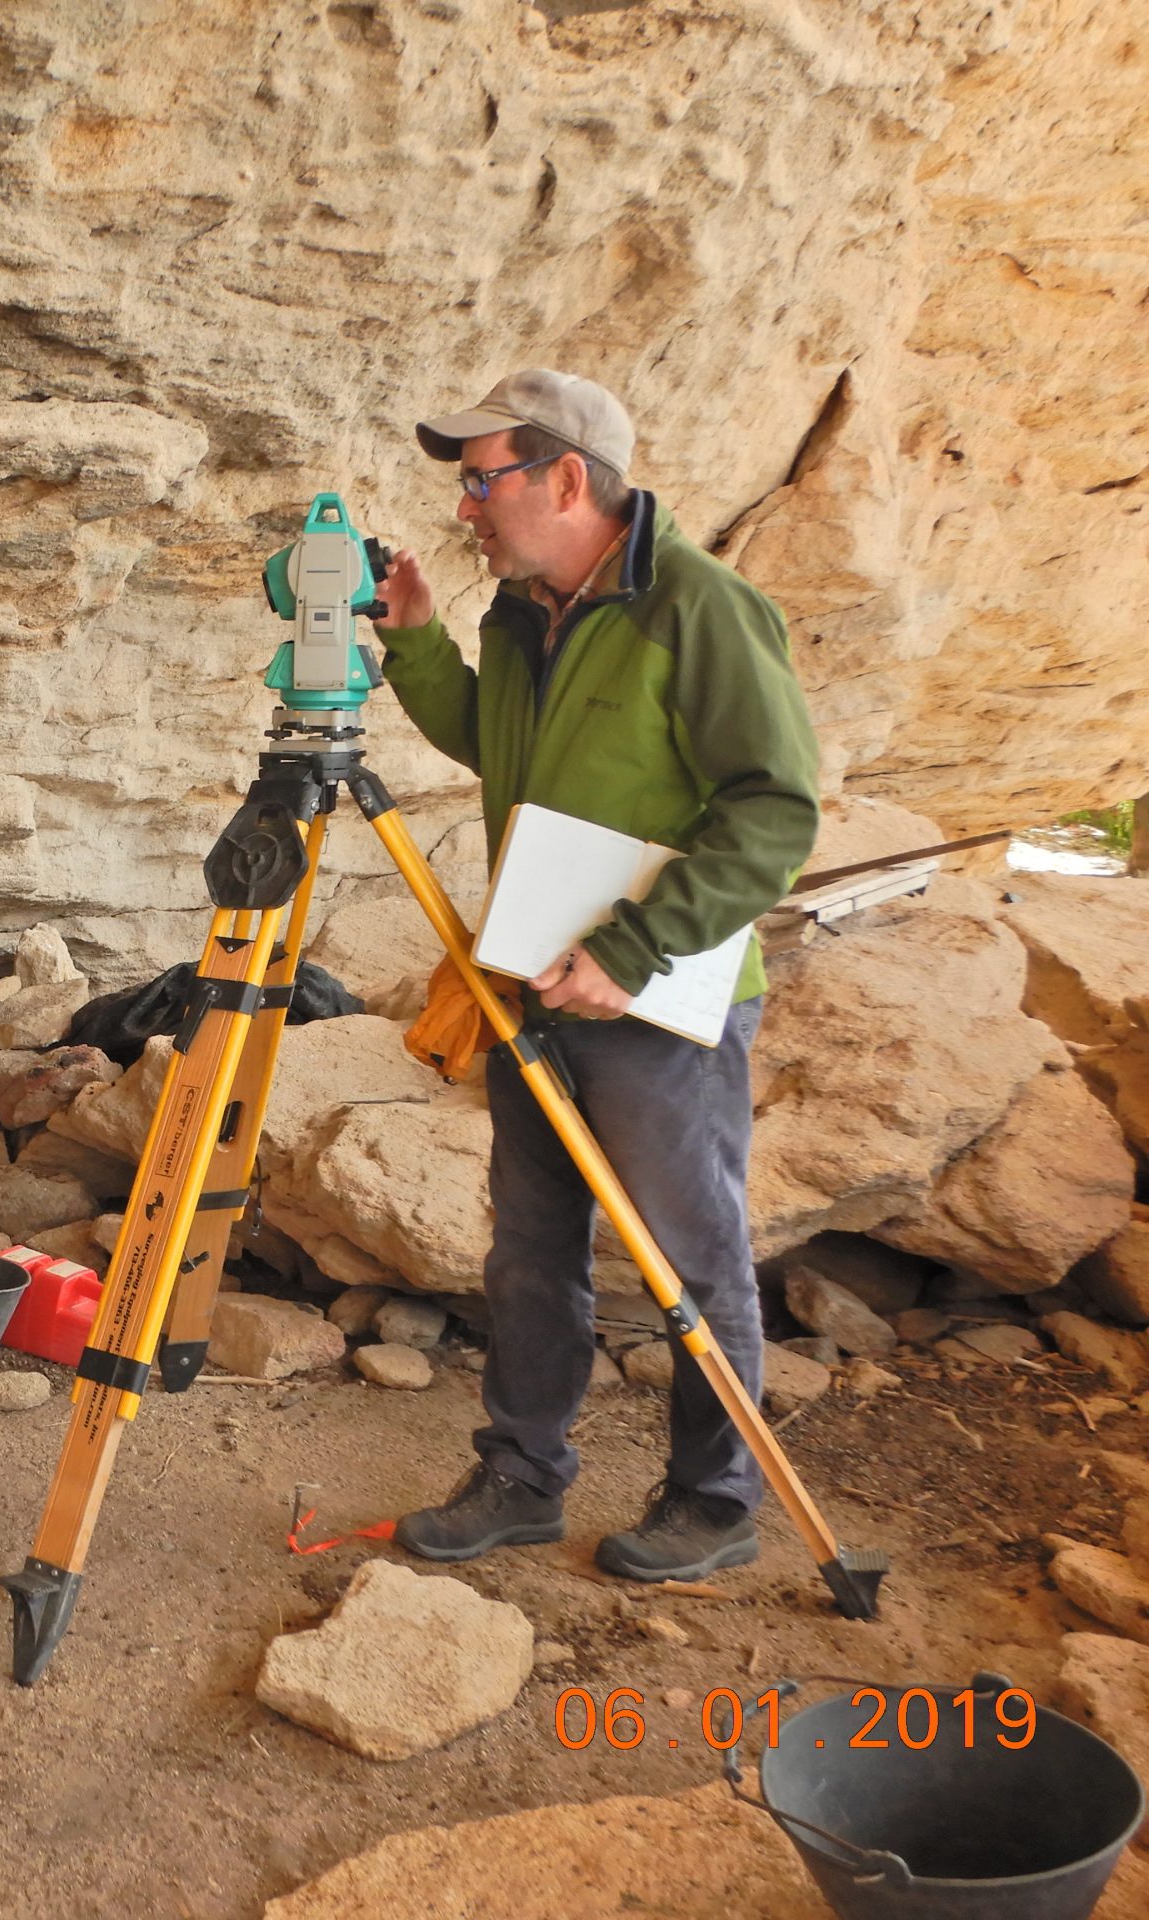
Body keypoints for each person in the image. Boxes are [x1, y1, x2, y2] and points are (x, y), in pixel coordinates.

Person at [370, 368, 821, 1583]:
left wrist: (631, 948)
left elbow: (773, 813)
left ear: (566, 478)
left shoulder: (702, 608)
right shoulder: (520, 612)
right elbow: (495, 744)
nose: (466, 506)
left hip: (654, 1001)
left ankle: (715, 1503)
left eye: (482, 480)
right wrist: (413, 641)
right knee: (529, 1247)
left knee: (691, 1257)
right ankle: (521, 1477)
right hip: (532, 980)